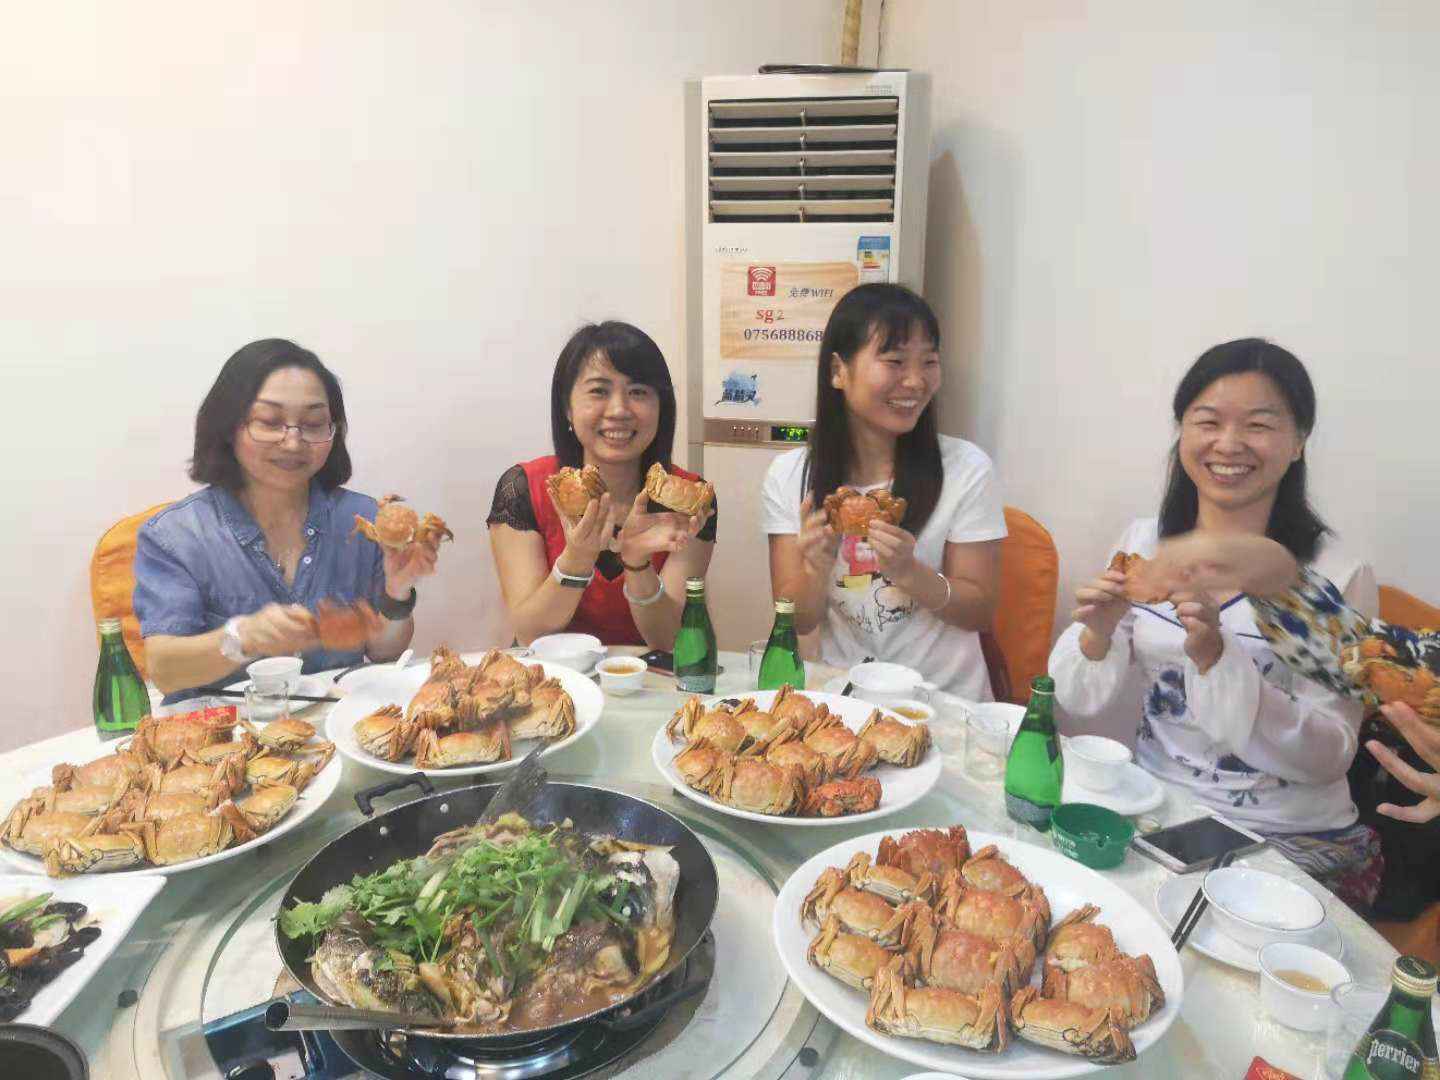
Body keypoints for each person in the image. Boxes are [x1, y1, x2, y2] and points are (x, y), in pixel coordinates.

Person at [1048, 338, 1382, 907]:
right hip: (1158, 810)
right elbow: (1076, 698)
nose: (1228, 444)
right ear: (1182, 431)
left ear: (1299, 441)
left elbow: (1332, 751)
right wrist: (1097, 633)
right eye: (1208, 421)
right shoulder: (1144, 543)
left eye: (1258, 425)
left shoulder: (1335, 576)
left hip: (1285, 837)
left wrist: (1218, 660)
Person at [135, 339, 439, 703]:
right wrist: (242, 637)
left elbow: (385, 652)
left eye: (313, 424)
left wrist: (397, 593)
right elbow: (165, 671)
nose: (293, 443)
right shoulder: (176, 536)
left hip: (336, 723)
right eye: (269, 422)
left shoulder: (362, 520)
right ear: (228, 426)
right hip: (224, 730)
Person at [761, 283, 1006, 700]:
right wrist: (816, 570)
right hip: (848, 698)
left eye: (929, 362)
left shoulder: (967, 469)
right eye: (894, 361)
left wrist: (911, 573)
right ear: (838, 371)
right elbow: (797, 620)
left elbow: (980, 611)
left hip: (944, 701)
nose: (915, 381)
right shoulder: (790, 477)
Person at [487, 322, 714, 648]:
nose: (619, 410)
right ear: (567, 407)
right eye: (599, 391)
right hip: (552, 674)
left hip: (650, 675)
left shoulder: (688, 498)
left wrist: (637, 562)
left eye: (638, 392)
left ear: (661, 408)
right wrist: (577, 557)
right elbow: (529, 635)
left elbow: (671, 641)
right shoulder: (526, 488)